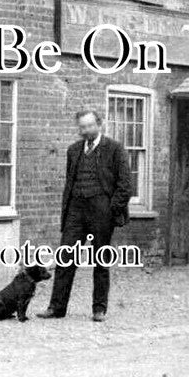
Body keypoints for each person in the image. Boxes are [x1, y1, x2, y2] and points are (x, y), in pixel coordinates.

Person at [38, 109, 131, 323]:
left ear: (99, 125)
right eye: (82, 127)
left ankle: (99, 309)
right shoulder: (73, 150)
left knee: (101, 260)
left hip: (102, 211)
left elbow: (125, 184)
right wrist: (69, 209)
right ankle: (56, 307)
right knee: (65, 258)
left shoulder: (115, 149)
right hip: (76, 210)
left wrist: (111, 209)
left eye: (89, 126)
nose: (85, 130)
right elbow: (70, 183)